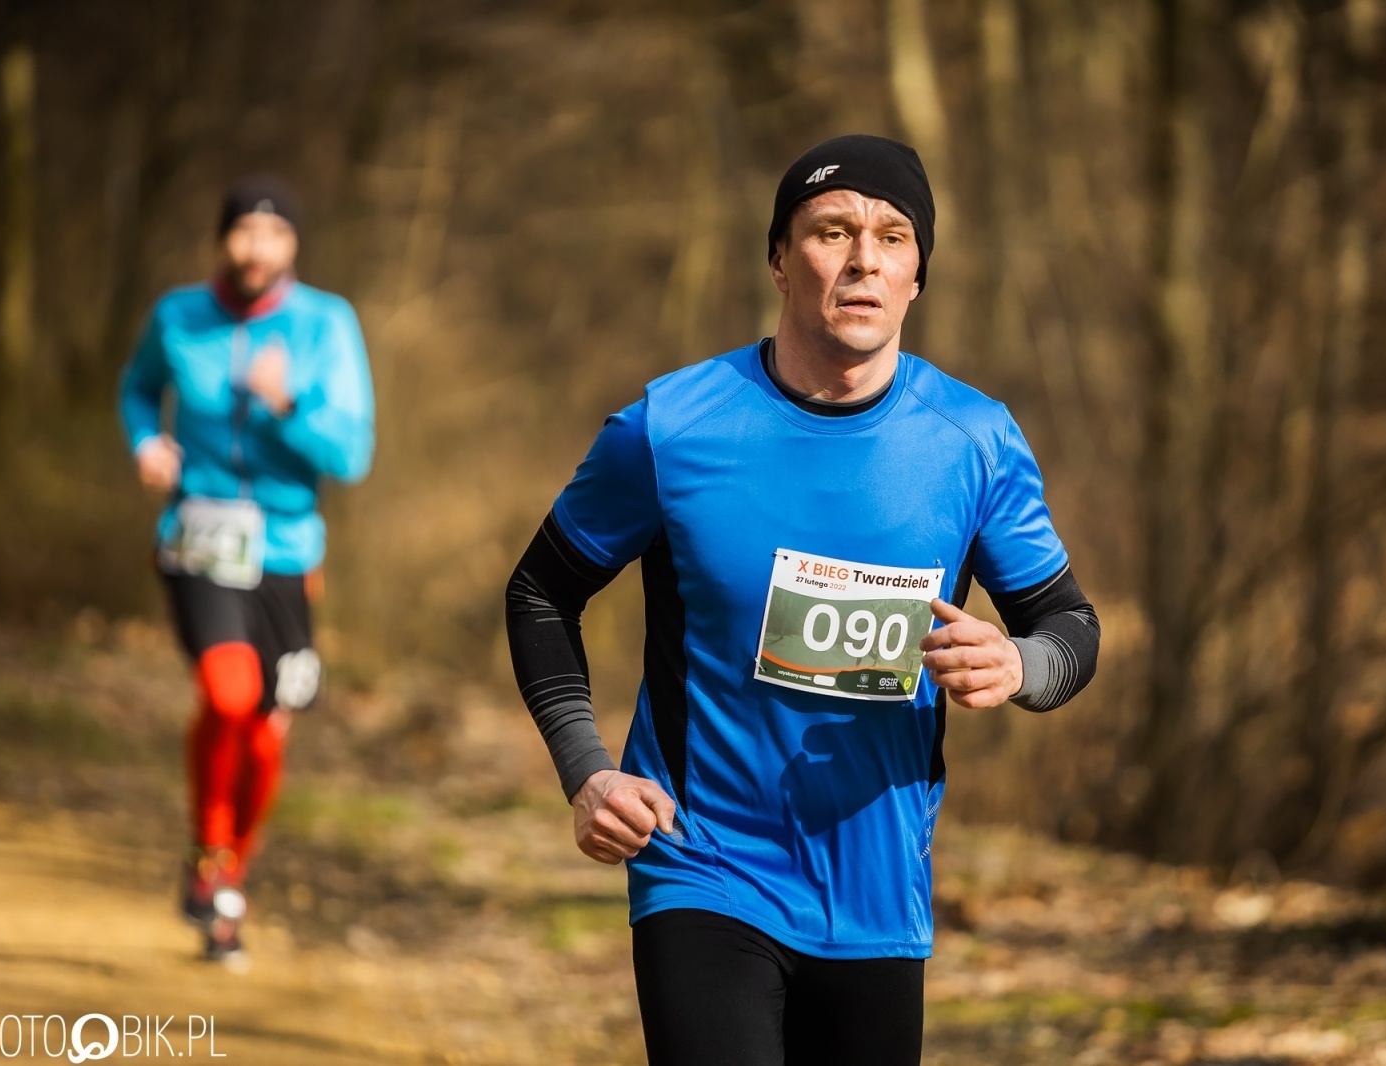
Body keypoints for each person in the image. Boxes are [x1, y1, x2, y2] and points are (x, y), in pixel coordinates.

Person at [505, 135, 1100, 1065]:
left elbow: (1071, 628)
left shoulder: (972, 442)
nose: (864, 257)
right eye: (833, 230)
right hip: (703, 866)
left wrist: (1021, 664)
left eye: (894, 237)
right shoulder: (672, 427)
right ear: (781, 261)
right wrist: (587, 771)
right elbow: (542, 589)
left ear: (916, 278)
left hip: (879, 892)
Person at [119, 175, 375, 967]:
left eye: (274, 235)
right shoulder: (178, 316)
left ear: (292, 246)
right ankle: (209, 851)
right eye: (243, 232)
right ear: (222, 239)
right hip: (197, 538)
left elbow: (352, 454)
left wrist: (289, 402)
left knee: (267, 732)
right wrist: (146, 444)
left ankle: (226, 876)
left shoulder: (325, 325)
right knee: (228, 694)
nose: (257, 248)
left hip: (289, 553)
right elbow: (137, 391)